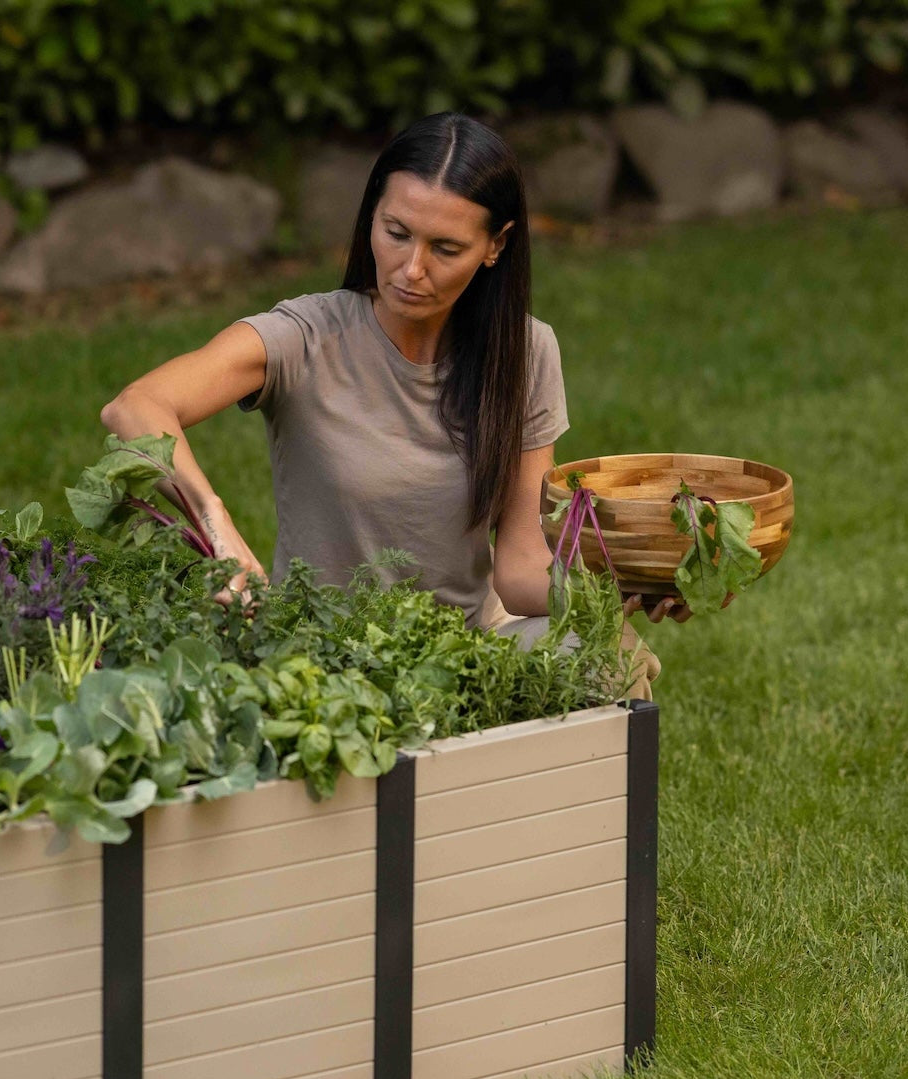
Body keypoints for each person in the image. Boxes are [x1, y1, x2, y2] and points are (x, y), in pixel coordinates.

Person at [99, 112, 679, 693]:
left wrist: (631, 584)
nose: (411, 269)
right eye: (396, 233)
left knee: (609, 652)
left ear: (495, 246)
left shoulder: (524, 353)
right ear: (372, 214)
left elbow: (523, 570)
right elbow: (136, 407)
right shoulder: (305, 337)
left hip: (470, 657)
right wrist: (214, 522)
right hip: (325, 666)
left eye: (446, 248)